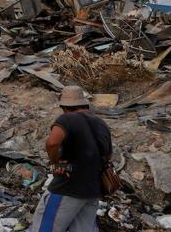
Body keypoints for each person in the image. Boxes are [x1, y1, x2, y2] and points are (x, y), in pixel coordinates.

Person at [29, 86, 112, 232]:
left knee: (45, 228)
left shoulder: (67, 118)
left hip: (68, 187)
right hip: (93, 190)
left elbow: (52, 142)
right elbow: (107, 156)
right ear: (84, 103)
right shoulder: (101, 123)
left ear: (65, 107)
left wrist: (56, 163)